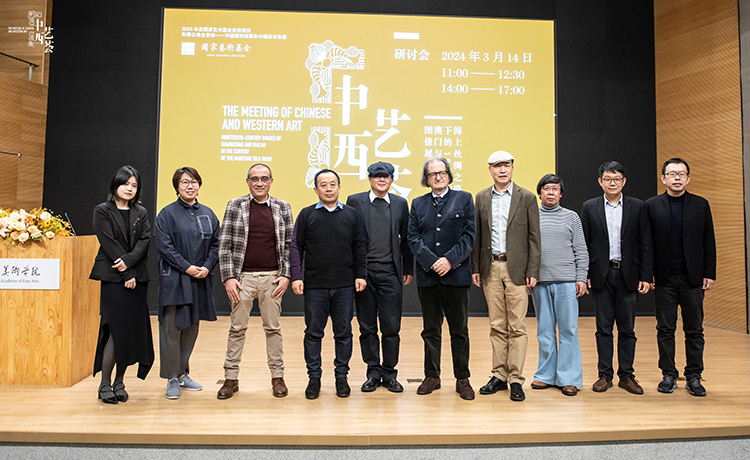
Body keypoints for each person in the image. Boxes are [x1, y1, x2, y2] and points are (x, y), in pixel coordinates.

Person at [217, 164, 294, 399]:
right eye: (254, 179)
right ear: (248, 181)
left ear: (271, 181)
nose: (259, 183)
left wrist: (286, 275)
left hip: (272, 278)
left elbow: (290, 246)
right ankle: (231, 378)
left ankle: (278, 377)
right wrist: (229, 278)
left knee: (273, 329)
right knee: (237, 329)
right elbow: (224, 244)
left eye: (264, 178)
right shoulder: (235, 205)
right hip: (242, 279)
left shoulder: (283, 207)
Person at [290, 169, 367, 399]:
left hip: (345, 285)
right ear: (316, 189)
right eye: (323, 184)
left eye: (333, 184)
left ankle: (341, 377)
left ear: (339, 187)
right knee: (313, 333)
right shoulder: (306, 215)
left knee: (343, 333)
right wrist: (297, 276)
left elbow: (360, 246)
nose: (329, 188)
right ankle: (314, 378)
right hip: (314, 285)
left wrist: (361, 274)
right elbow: (296, 247)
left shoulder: (352, 214)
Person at [471, 150, 540, 402]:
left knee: (517, 327)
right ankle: (498, 375)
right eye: (497, 166)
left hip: (517, 269)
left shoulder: (527, 197)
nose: (502, 170)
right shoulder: (481, 197)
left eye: (506, 165)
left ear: (512, 168)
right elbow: (478, 236)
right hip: (491, 267)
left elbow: (534, 238)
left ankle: (516, 379)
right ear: (489, 169)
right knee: (497, 325)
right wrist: (476, 267)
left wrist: (533, 270)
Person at [581, 161, 653, 395]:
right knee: (603, 328)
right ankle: (605, 375)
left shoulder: (638, 206)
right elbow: (585, 244)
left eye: (617, 179)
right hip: (601, 274)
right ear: (600, 182)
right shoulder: (590, 207)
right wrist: (585, 274)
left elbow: (645, 242)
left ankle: (627, 375)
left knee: (627, 329)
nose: (612, 183)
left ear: (624, 182)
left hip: (628, 274)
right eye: (607, 179)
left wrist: (646, 275)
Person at [408, 157, 476, 401]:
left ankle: (462, 378)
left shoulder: (464, 198)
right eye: (432, 174)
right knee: (431, 329)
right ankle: (432, 376)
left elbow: (469, 236)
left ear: (449, 175)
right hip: (428, 277)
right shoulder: (417, 203)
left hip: (456, 275)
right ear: (426, 179)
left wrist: (449, 260)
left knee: (459, 330)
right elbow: (413, 238)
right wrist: (431, 261)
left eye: (442, 172)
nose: (438, 177)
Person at [646, 158, 715, 397]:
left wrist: (709, 272)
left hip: (692, 278)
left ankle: (694, 375)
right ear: (663, 178)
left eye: (681, 174)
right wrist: (647, 273)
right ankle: (668, 374)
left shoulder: (701, 204)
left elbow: (709, 241)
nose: (677, 178)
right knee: (665, 328)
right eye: (672, 174)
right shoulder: (651, 205)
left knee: (694, 329)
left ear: (688, 178)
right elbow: (646, 243)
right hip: (663, 278)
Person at [346, 161, 414, 393]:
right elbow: (350, 237)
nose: (382, 180)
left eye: (386, 176)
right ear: (370, 179)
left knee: (391, 327)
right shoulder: (355, 201)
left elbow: (406, 239)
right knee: (367, 326)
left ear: (392, 180)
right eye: (377, 176)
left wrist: (408, 268)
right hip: (364, 275)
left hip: (390, 273)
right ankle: (373, 373)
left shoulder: (400, 203)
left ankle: (390, 373)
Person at [89, 165, 154, 404]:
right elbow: (109, 243)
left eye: (134, 185)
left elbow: (145, 241)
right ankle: (104, 383)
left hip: (138, 278)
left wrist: (130, 265)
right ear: (115, 184)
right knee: (115, 330)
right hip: (114, 278)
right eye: (125, 183)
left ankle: (119, 382)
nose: (129, 188)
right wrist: (126, 273)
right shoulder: (102, 210)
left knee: (129, 332)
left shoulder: (140, 212)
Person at [155, 167, 220, 400]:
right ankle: (171, 378)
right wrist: (186, 267)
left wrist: (207, 266)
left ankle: (183, 373)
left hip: (199, 279)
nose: (190, 186)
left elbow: (217, 244)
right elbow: (165, 247)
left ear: (199, 185)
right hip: (174, 279)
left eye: (194, 182)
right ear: (177, 186)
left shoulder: (208, 213)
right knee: (171, 329)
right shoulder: (166, 214)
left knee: (192, 328)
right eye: (184, 182)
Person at [529, 174, 588, 397]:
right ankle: (545, 375)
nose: (551, 192)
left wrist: (581, 278)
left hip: (567, 281)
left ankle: (569, 378)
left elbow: (581, 249)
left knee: (568, 330)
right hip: (540, 282)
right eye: (546, 189)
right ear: (540, 193)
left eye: (555, 189)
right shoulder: (531, 216)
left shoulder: (572, 217)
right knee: (544, 331)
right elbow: (526, 249)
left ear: (561, 194)